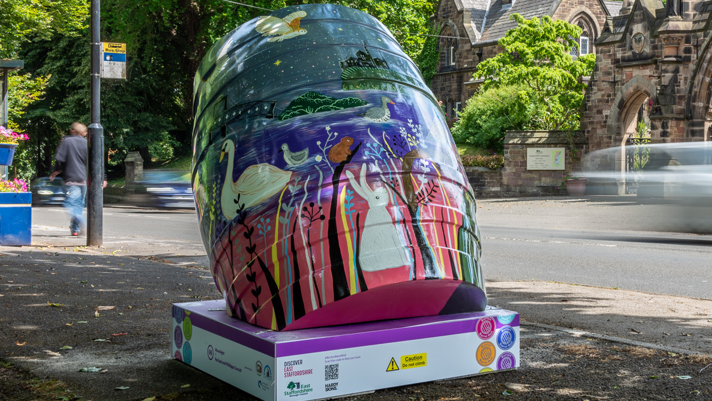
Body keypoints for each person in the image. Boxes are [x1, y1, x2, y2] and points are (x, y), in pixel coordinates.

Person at [50, 122, 88, 236]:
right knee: (79, 205)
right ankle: (75, 229)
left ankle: (81, 222)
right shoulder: (87, 143)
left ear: (73, 131)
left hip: (71, 179)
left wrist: (55, 171)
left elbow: (59, 159)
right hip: (84, 179)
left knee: (69, 204)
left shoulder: (67, 141)